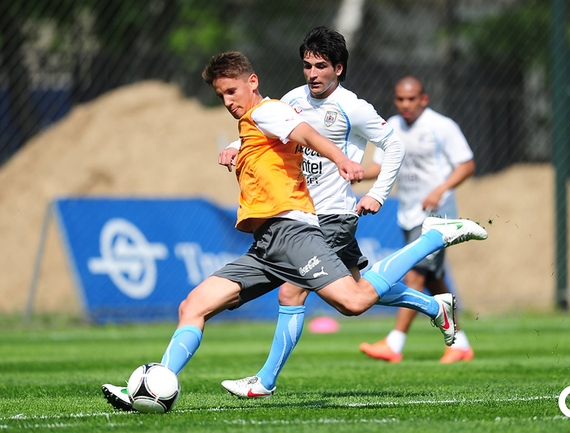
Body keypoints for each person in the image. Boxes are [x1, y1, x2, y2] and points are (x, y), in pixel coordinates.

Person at [102, 51, 487, 412]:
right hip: (266, 245)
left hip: (294, 233)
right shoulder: (257, 120)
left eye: (232, 91)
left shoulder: (269, 110)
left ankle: (433, 236)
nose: (227, 101)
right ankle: (153, 384)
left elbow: (303, 132)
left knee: (351, 301)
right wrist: (237, 145)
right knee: (193, 306)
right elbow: (276, 133)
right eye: (221, 96)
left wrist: (340, 159)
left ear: (252, 82)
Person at [219, 25, 405, 398]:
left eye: (321, 66)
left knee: (291, 293)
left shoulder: (353, 107)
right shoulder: (293, 98)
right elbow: (265, 129)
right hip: (303, 216)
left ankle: (265, 381)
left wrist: (378, 194)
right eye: (307, 66)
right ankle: (434, 306)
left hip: (335, 215)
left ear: (338, 68)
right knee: (356, 291)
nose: (312, 74)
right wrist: (236, 145)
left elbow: (394, 144)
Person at [359, 76, 476, 364]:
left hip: (437, 216)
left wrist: (440, 189)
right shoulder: (393, 126)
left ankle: (394, 343)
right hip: (409, 213)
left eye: (411, 99)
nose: (405, 104)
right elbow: (380, 165)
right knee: (434, 279)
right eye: (400, 99)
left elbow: (466, 164)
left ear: (424, 99)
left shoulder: (442, 126)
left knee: (415, 275)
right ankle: (460, 343)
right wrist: (354, 173)